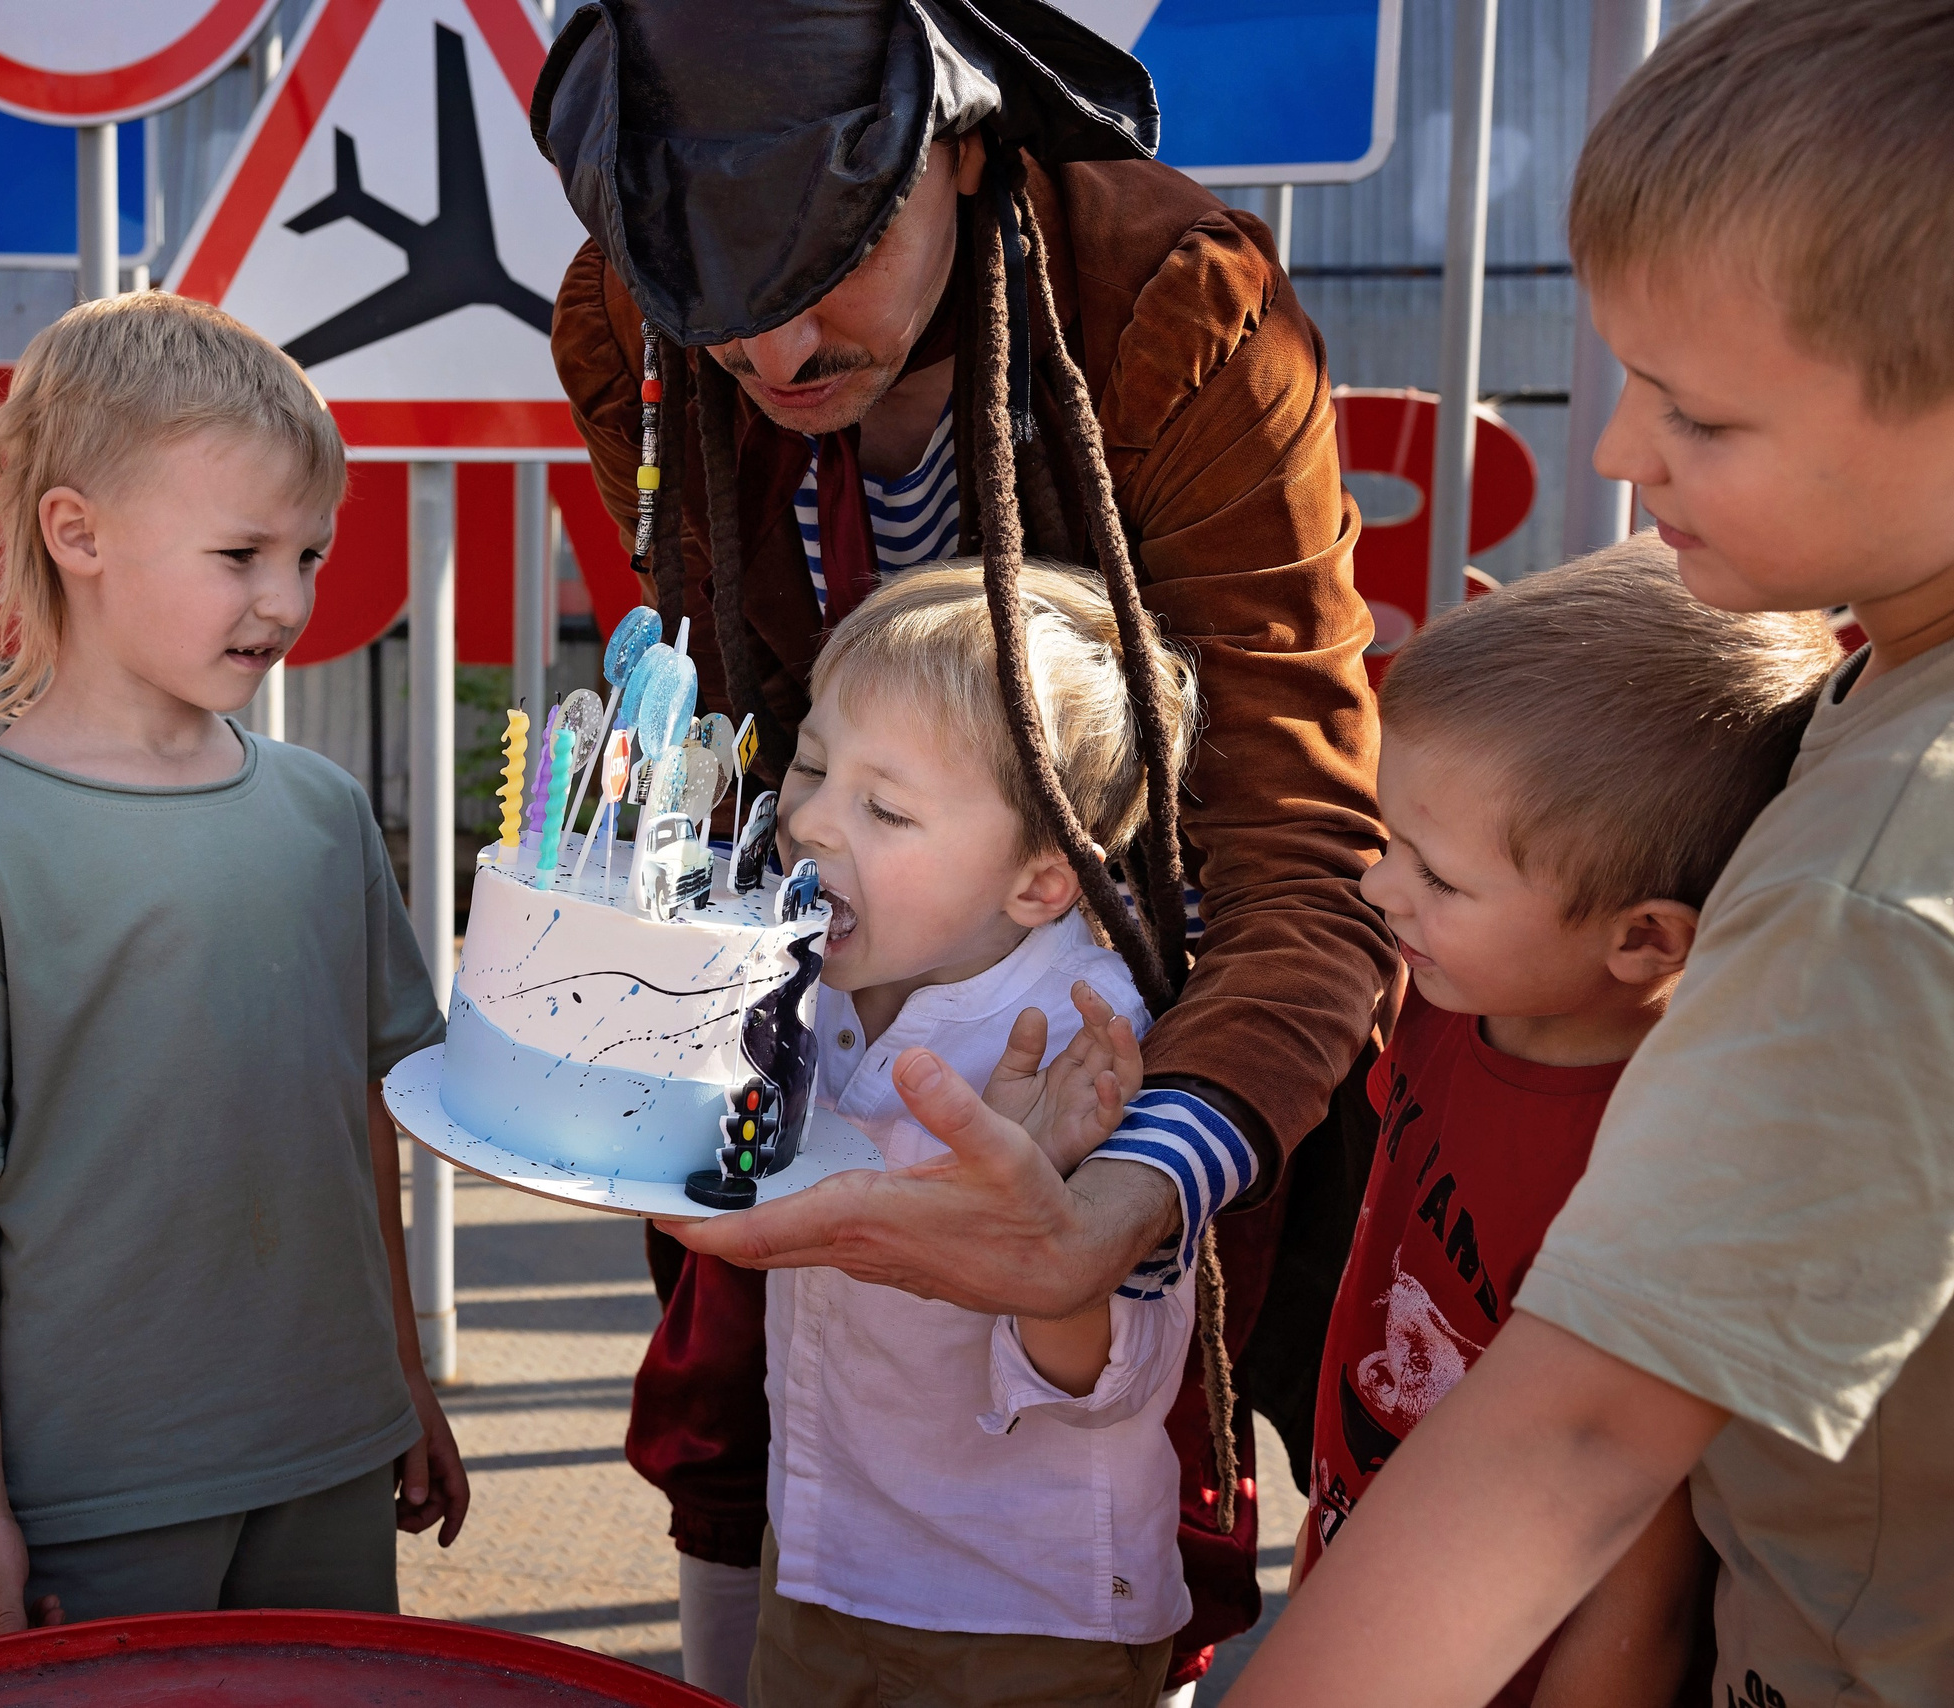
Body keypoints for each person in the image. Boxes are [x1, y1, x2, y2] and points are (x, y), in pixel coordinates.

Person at [535, 3, 1396, 1690]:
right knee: (765, 1407)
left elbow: (1300, 846)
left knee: (1119, 1453)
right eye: (727, 291)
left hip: (1126, 1027)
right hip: (831, 1003)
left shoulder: (1175, 309)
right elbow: (732, 698)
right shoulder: (634, 314)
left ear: (969, 144)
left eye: (831, 254)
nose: (777, 350)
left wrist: (1127, 1191)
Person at [1227, 2, 1954, 1703]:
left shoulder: (1868, 890)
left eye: (1696, 416)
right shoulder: (1884, 678)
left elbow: (1573, 1445)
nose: (1622, 456)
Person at [0, 292, 469, 1637]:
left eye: (309, 555)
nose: (283, 599)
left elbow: (366, 1129)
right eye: (240, 553)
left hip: (336, 1451)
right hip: (89, 1494)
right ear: (77, 532)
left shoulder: (329, 814)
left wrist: (405, 1380)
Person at [1297, 538, 1839, 1706]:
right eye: (1391, 841)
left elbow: (1632, 1577)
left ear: (1646, 938)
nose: (1382, 888)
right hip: (1365, 1576)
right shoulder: (1454, 995)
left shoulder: (1661, 1170)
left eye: (1437, 877)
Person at [748, 560, 1202, 1708]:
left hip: (1026, 1611)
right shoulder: (805, 975)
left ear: (1041, 882)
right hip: (817, 1558)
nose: (806, 820)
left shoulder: (1090, 1046)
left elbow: (1105, 1381)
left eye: (883, 808)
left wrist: (1033, 1219)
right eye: (810, 765)